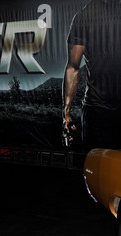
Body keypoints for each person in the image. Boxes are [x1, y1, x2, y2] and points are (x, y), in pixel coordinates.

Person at [63, 0, 121, 151]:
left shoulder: (83, 16)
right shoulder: (84, 17)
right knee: (97, 166)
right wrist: (66, 112)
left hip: (96, 110)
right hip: (97, 110)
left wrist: (67, 113)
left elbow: (73, 68)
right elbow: (73, 68)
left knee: (99, 167)